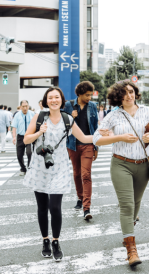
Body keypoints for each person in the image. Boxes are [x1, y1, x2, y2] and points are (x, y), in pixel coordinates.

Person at [93, 81, 149, 267]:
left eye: (131, 92)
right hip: (121, 164)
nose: (129, 96)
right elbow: (96, 138)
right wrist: (119, 137)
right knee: (127, 205)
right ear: (118, 97)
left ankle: (128, 229)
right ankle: (131, 250)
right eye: (124, 94)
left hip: (143, 165)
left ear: (135, 93)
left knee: (136, 203)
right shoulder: (113, 115)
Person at [23, 87, 94, 262]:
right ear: (46, 101)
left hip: (60, 168)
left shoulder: (67, 119)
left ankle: (55, 241)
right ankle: (45, 240)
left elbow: (84, 138)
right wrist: (40, 132)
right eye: (50, 98)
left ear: (62, 100)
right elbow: (26, 139)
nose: (54, 100)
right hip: (40, 168)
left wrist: (101, 136)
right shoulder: (39, 117)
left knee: (55, 207)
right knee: (42, 207)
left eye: (57, 97)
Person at [64, 81, 99, 220]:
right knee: (77, 174)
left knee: (86, 174)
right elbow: (63, 126)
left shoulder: (93, 106)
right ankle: (80, 197)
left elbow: (95, 126)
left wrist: (96, 146)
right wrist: (71, 118)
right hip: (72, 145)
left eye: (91, 95)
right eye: (87, 95)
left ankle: (86, 208)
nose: (90, 97)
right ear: (79, 94)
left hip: (88, 145)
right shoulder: (68, 105)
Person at [12, 100, 35, 176]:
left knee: (29, 153)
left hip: (29, 136)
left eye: (26, 106)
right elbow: (14, 127)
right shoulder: (17, 115)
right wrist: (14, 137)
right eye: (23, 106)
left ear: (28, 106)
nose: (25, 108)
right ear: (20, 107)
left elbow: (36, 125)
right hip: (20, 137)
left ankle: (29, 168)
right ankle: (23, 168)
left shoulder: (32, 114)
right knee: (19, 155)